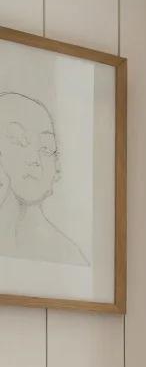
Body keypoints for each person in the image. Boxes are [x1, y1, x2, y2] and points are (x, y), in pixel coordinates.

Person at [0, 91, 87, 265]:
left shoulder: (69, 257)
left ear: (57, 169)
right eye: (18, 140)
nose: (34, 159)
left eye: (47, 148)